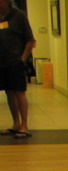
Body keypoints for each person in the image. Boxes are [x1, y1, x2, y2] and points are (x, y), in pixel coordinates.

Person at [0, 0, 35, 138]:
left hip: (15, 61)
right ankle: (16, 124)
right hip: (1, 62)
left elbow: (30, 40)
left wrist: (23, 58)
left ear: (7, 2)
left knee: (19, 92)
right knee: (9, 92)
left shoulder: (19, 15)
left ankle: (25, 126)